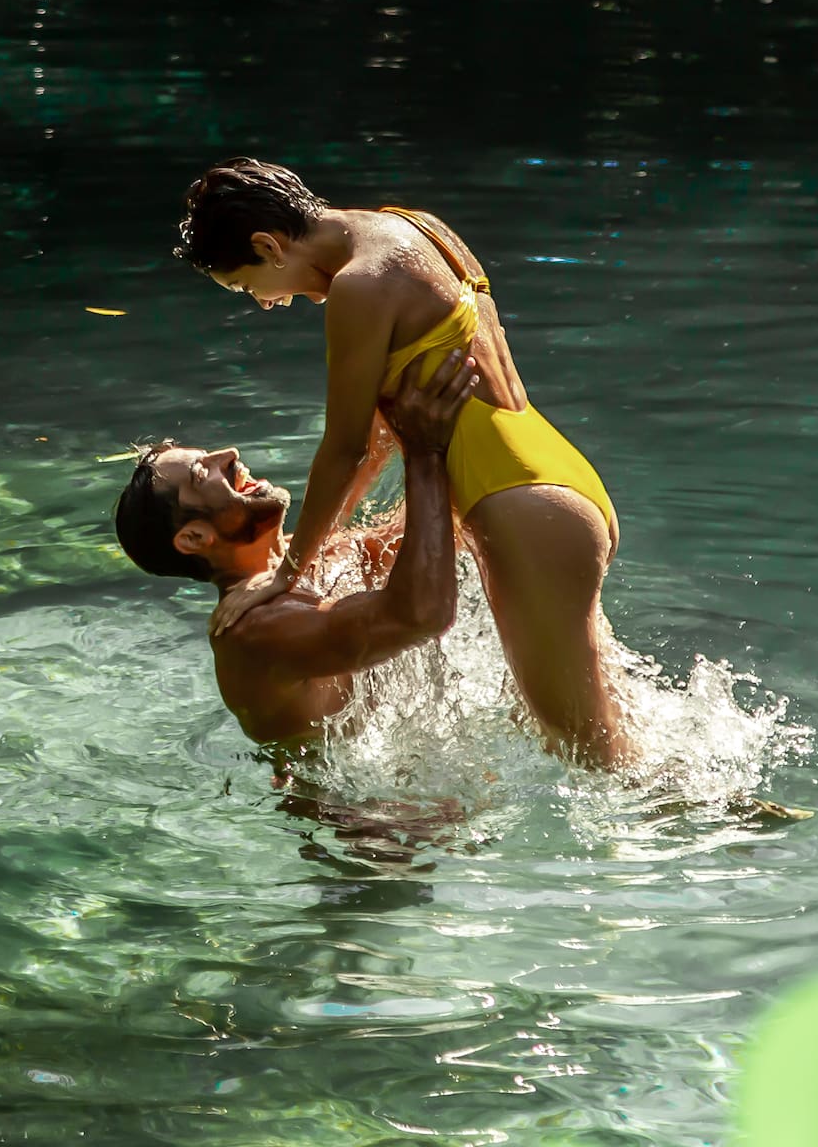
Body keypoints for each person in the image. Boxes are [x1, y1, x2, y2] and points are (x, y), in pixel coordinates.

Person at [171, 157, 632, 768]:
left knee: (590, 754)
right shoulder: (413, 226)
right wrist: (317, 548)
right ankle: (712, 804)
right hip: (552, 475)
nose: (262, 303)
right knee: (582, 719)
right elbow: (384, 434)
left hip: (522, 508)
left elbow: (345, 448)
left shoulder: (359, 285)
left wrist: (288, 574)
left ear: (268, 245)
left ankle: (726, 827)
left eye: (247, 285)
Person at [114, 348, 479, 747]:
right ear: (195, 538)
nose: (231, 455)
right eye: (204, 473)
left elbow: (439, 528)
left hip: (413, 777)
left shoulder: (305, 557)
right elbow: (423, 615)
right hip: (359, 808)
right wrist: (426, 452)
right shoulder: (255, 633)